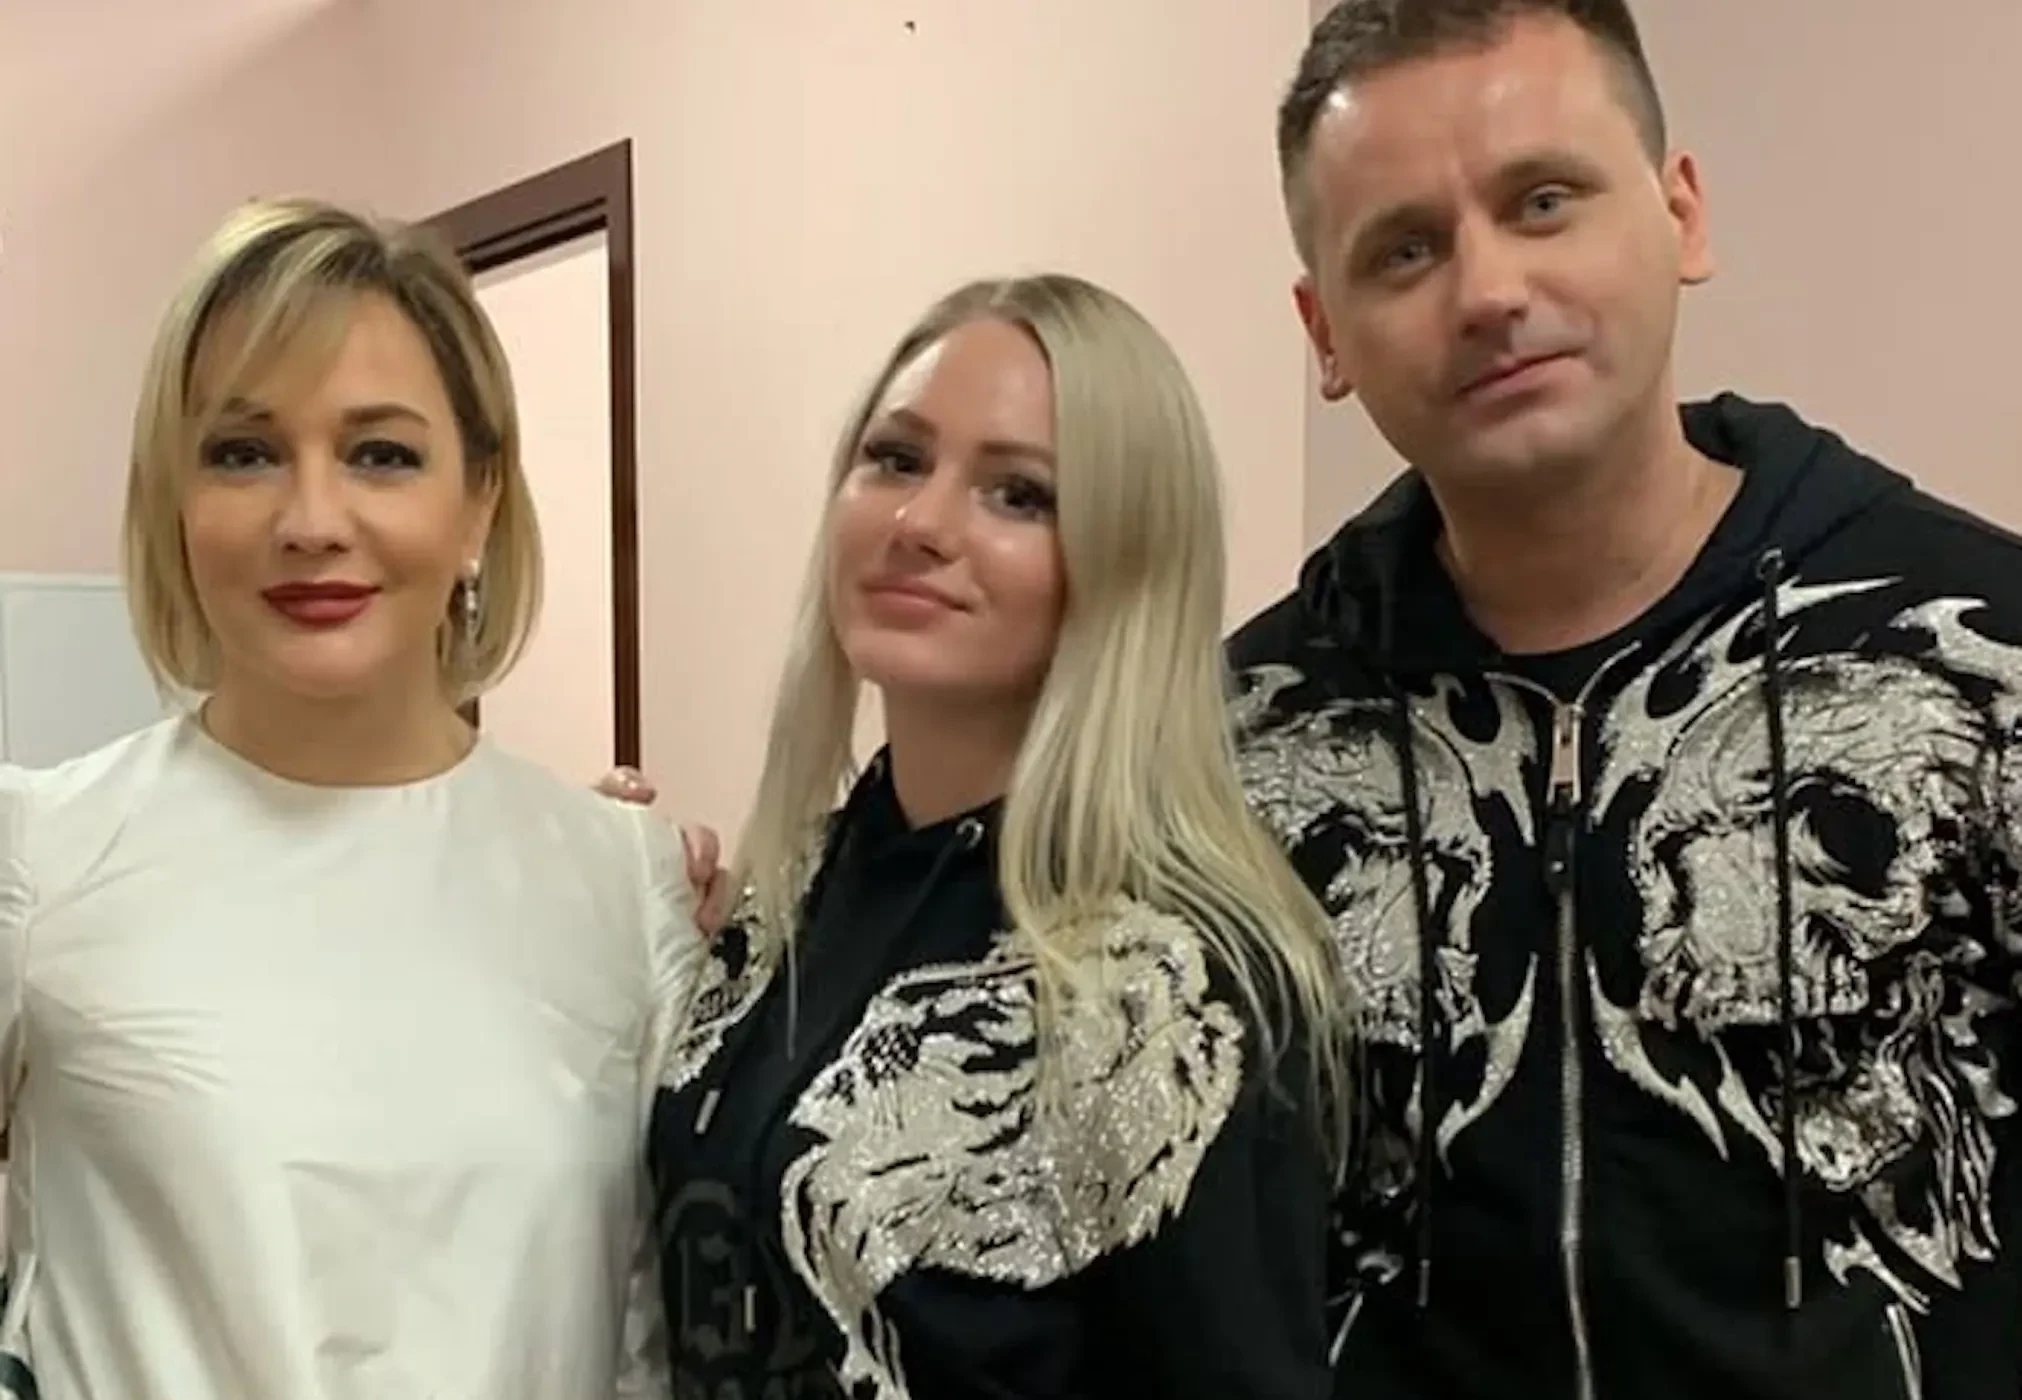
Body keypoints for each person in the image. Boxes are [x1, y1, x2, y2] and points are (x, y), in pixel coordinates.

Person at [1229, 1, 2022, 1396]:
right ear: (1324, 331)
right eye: (1404, 249)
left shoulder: (1983, 649)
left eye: (1543, 200)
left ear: (1679, 214)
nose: (1487, 291)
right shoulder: (1234, 744)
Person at [0, 197, 703, 1398]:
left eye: (381, 454)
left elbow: (651, 1329)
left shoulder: (625, 884)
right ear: (175, 498)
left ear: (479, 498)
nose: (312, 521)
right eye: (244, 451)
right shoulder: (41, 855)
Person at [644, 273, 1355, 1399]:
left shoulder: (1180, 980)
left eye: (1018, 494)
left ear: (1126, 558)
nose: (921, 525)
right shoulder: (783, 894)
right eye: (896, 459)